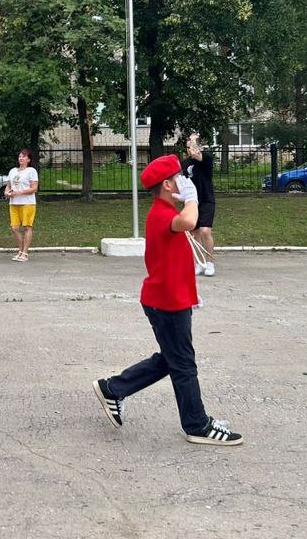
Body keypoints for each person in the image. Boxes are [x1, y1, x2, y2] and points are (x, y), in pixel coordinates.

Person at [91, 155, 243, 447]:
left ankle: (113, 388)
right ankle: (196, 425)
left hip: (171, 299)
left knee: (172, 359)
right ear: (167, 184)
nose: (184, 181)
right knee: (183, 364)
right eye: (179, 178)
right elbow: (190, 220)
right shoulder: (161, 213)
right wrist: (192, 197)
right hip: (167, 303)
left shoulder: (164, 209)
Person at [184, 132, 217, 277]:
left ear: (200, 146)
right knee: (193, 233)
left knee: (205, 231)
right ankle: (199, 263)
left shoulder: (206, 158)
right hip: (192, 202)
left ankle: (210, 263)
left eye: (192, 145)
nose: (189, 148)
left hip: (206, 200)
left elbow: (196, 154)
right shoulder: (185, 164)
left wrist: (193, 140)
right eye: (187, 146)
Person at [4, 149, 39, 262]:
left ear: (28, 159)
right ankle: (20, 250)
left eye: (23, 157)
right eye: (19, 156)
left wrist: (19, 192)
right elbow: (8, 185)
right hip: (14, 203)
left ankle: (25, 252)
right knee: (14, 228)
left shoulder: (31, 171)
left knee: (27, 227)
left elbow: (34, 188)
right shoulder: (13, 171)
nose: (21, 158)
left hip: (27, 203)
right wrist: (7, 193)